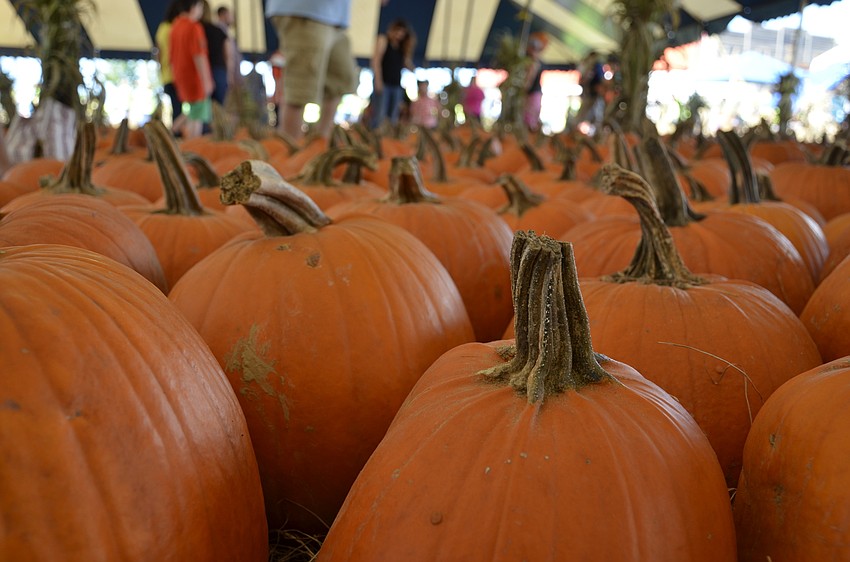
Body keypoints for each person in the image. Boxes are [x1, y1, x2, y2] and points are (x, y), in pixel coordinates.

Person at [266, 0, 358, 141]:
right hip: (305, 11)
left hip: (336, 18)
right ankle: (288, 154)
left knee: (340, 80)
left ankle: (320, 144)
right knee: (299, 90)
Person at [170, 0, 214, 138]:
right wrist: (206, 80)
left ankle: (168, 135)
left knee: (192, 113)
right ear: (194, 6)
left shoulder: (175, 27)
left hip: (181, 76)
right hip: (195, 78)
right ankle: (191, 147)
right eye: (200, 6)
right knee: (197, 118)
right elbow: (199, 55)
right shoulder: (194, 27)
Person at [369, 19, 415, 129]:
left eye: (402, 33)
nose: (399, 35)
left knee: (393, 116)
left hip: (396, 85)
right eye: (398, 31)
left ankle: (388, 140)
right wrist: (378, 81)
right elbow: (376, 61)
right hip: (384, 83)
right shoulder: (383, 40)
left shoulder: (401, 48)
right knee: (380, 114)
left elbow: (408, 65)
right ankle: (376, 137)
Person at [154, 0, 186, 135]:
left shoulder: (162, 28)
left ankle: (174, 136)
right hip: (178, 74)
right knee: (184, 110)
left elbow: (159, 54)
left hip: (166, 74)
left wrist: (161, 71)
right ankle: (175, 136)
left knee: (176, 108)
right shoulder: (177, 28)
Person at [200, 1, 230, 106]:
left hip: (202, 71)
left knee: (201, 109)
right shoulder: (218, 31)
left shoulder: (197, 29)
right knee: (219, 109)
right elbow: (228, 55)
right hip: (219, 71)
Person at [575, 50, 605, 130]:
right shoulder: (589, 67)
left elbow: (600, 81)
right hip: (589, 94)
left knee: (594, 115)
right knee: (587, 114)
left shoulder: (596, 66)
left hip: (593, 95)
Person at [523, 32, 547, 132]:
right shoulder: (536, 61)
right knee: (531, 119)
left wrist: (524, 89)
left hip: (532, 94)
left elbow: (529, 79)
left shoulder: (533, 62)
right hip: (535, 94)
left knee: (529, 120)